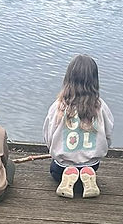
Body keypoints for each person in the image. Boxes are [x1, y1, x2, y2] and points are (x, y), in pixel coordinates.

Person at [42, 54, 114, 198]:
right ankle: (87, 174)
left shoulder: (58, 107)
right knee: (88, 167)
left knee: (54, 169)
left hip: (61, 167)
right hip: (92, 164)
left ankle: (69, 173)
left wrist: (53, 149)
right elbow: (108, 133)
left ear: (68, 79)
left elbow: (48, 135)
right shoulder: (100, 106)